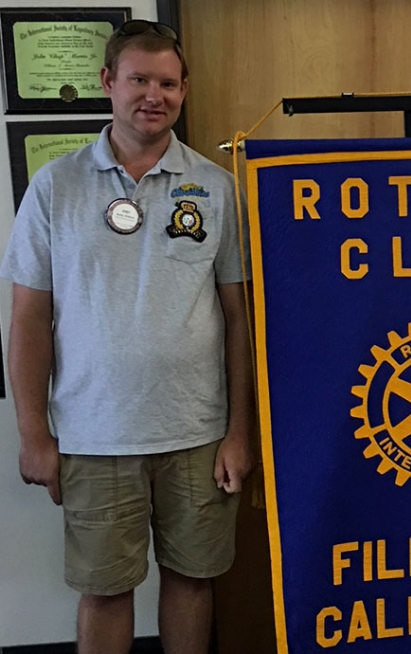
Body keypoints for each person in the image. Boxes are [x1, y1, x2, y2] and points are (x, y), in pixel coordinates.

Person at [1, 20, 253, 654]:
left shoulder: (218, 189)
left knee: (194, 582)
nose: (154, 95)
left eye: (167, 83)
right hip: (94, 434)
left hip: (197, 433)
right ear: (109, 82)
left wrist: (239, 432)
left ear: (184, 90)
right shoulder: (55, 187)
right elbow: (28, 319)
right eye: (139, 79)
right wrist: (34, 435)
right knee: (105, 589)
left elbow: (238, 317)